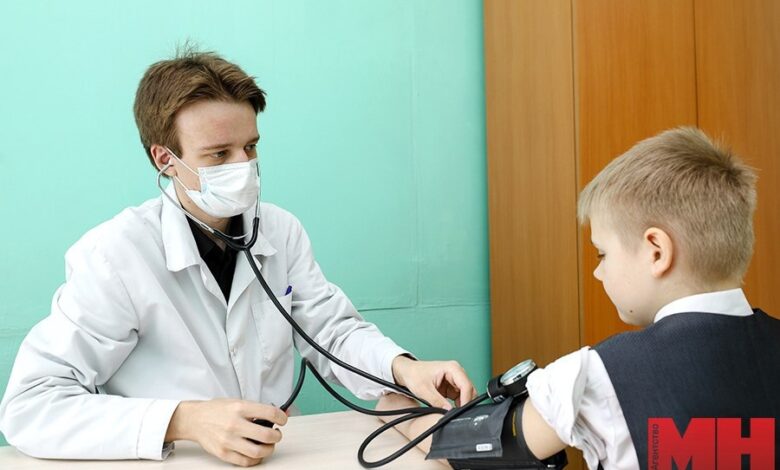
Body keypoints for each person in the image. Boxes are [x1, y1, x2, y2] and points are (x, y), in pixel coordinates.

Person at [0, 49, 477, 467]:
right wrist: (184, 420)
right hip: (177, 460)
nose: (243, 167)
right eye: (219, 154)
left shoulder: (280, 230)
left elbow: (331, 331)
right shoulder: (115, 255)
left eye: (250, 147)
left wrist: (402, 368)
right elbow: (30, 407)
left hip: (278, 457)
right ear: (165, 160)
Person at [377, 127, 780, 469]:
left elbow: (461, 446)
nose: (597, 272)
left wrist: (397, 409)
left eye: (602, 254)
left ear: (656, 252)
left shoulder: (600, 374)